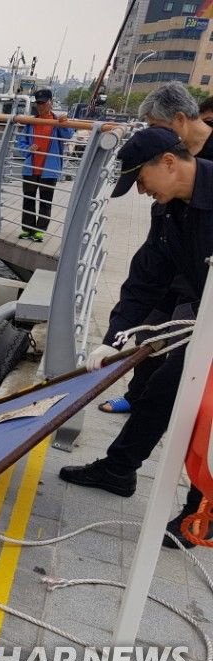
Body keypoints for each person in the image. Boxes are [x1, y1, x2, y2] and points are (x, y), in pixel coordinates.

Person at [58, 126, 213, 547]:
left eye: (141, 180)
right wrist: (115, 339)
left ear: (167, 162)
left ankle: (204, 513)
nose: (141, 192)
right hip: (205, 314)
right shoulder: (168, 210)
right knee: (162, 389)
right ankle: (118, 468)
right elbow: (146, 280)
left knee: (206, 414)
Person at [98, 82, 213, 415]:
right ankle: (136, 398)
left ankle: (126, 453)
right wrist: (111, 339)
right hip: (177, 260)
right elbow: (144, 276)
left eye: (153, 127)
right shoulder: (166, 198)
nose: (148, 134)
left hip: (201, 282)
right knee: (149, 332)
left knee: (175, 371)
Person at [14, 88, 74, 241]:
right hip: (30, 169)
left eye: (43, 103)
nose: (40, 106)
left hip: (49, 169)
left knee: (45, 201)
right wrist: (28, 149)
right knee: (28, 199)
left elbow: (68, 135)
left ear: (50, 103)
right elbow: (20, 143)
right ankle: (28, 229)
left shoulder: (57, 122)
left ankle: (40, 231)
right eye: (37, 103)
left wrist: (64, 123)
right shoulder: (31, 123)